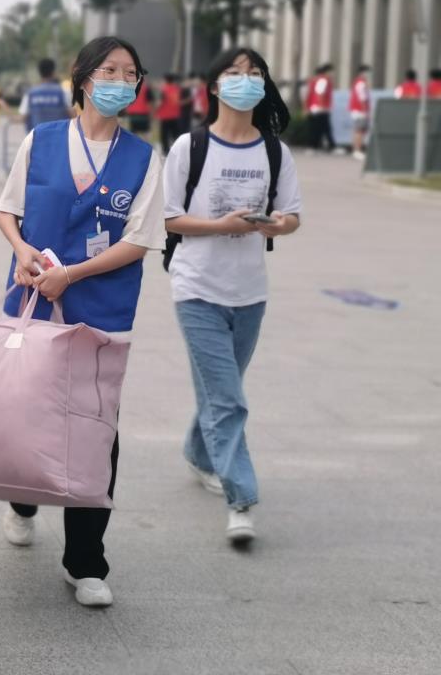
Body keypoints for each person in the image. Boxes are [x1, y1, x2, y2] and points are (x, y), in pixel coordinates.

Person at [0, 36, 166, 608]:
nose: (120, 81)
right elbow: (7, 210)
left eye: (130, 73)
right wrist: (22, 249)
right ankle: (23, 501)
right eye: (109, 70)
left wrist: (74, 274)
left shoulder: (143, 158)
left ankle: (85, 561)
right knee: (29, 415)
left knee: (96, 431)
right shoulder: (41, 141)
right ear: (84, 76)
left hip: (101, 311)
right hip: (35, 306)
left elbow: (140, 240)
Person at [163, 47, 302, 546]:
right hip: (197, 288)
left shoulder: (274, 152)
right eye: (234, 72)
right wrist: (220, 225)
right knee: (228, 398)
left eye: (255, 73)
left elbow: (292, 214)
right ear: (214, 86)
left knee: (221, 389)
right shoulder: (190, 147)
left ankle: (199, 453)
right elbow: (169, 219)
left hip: (250, 293)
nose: (246, 80)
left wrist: (278, 224)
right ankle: (241, 499)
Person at [20, 57, 71, 131]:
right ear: (53, 72)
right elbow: (73, 116)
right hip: (59, 136)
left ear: (39, 73)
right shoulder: (64, 92)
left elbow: (23, 118)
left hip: (37, 136)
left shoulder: (30, 94)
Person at [304, 63, 336, 151]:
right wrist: (321, 105)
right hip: (320, 109)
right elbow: (320, 94)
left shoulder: (317, 80)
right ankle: (316, 146)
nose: (332, 74)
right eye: (331, 71)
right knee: (322, 128)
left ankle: (315, 146)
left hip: (317, 108)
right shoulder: (323, 80)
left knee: (322, 128)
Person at [157, 72, 185, 155]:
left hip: (165, 116)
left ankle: (166, 151)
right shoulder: (177, 89)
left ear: (165, 80)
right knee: (175, 134)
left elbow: (160, 102)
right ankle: (178, 149)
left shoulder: (163, 90)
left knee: (164, 135)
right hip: (175, 115)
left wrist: (156, 110)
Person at [349, 64, 371, 160]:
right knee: (359, 130)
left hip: (358, 110)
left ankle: (356, 150)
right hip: (360, 110)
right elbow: (362, 98)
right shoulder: (361, 83)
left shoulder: (359, 82)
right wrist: (365, 111)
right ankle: (357, 150)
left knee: (359, 130)